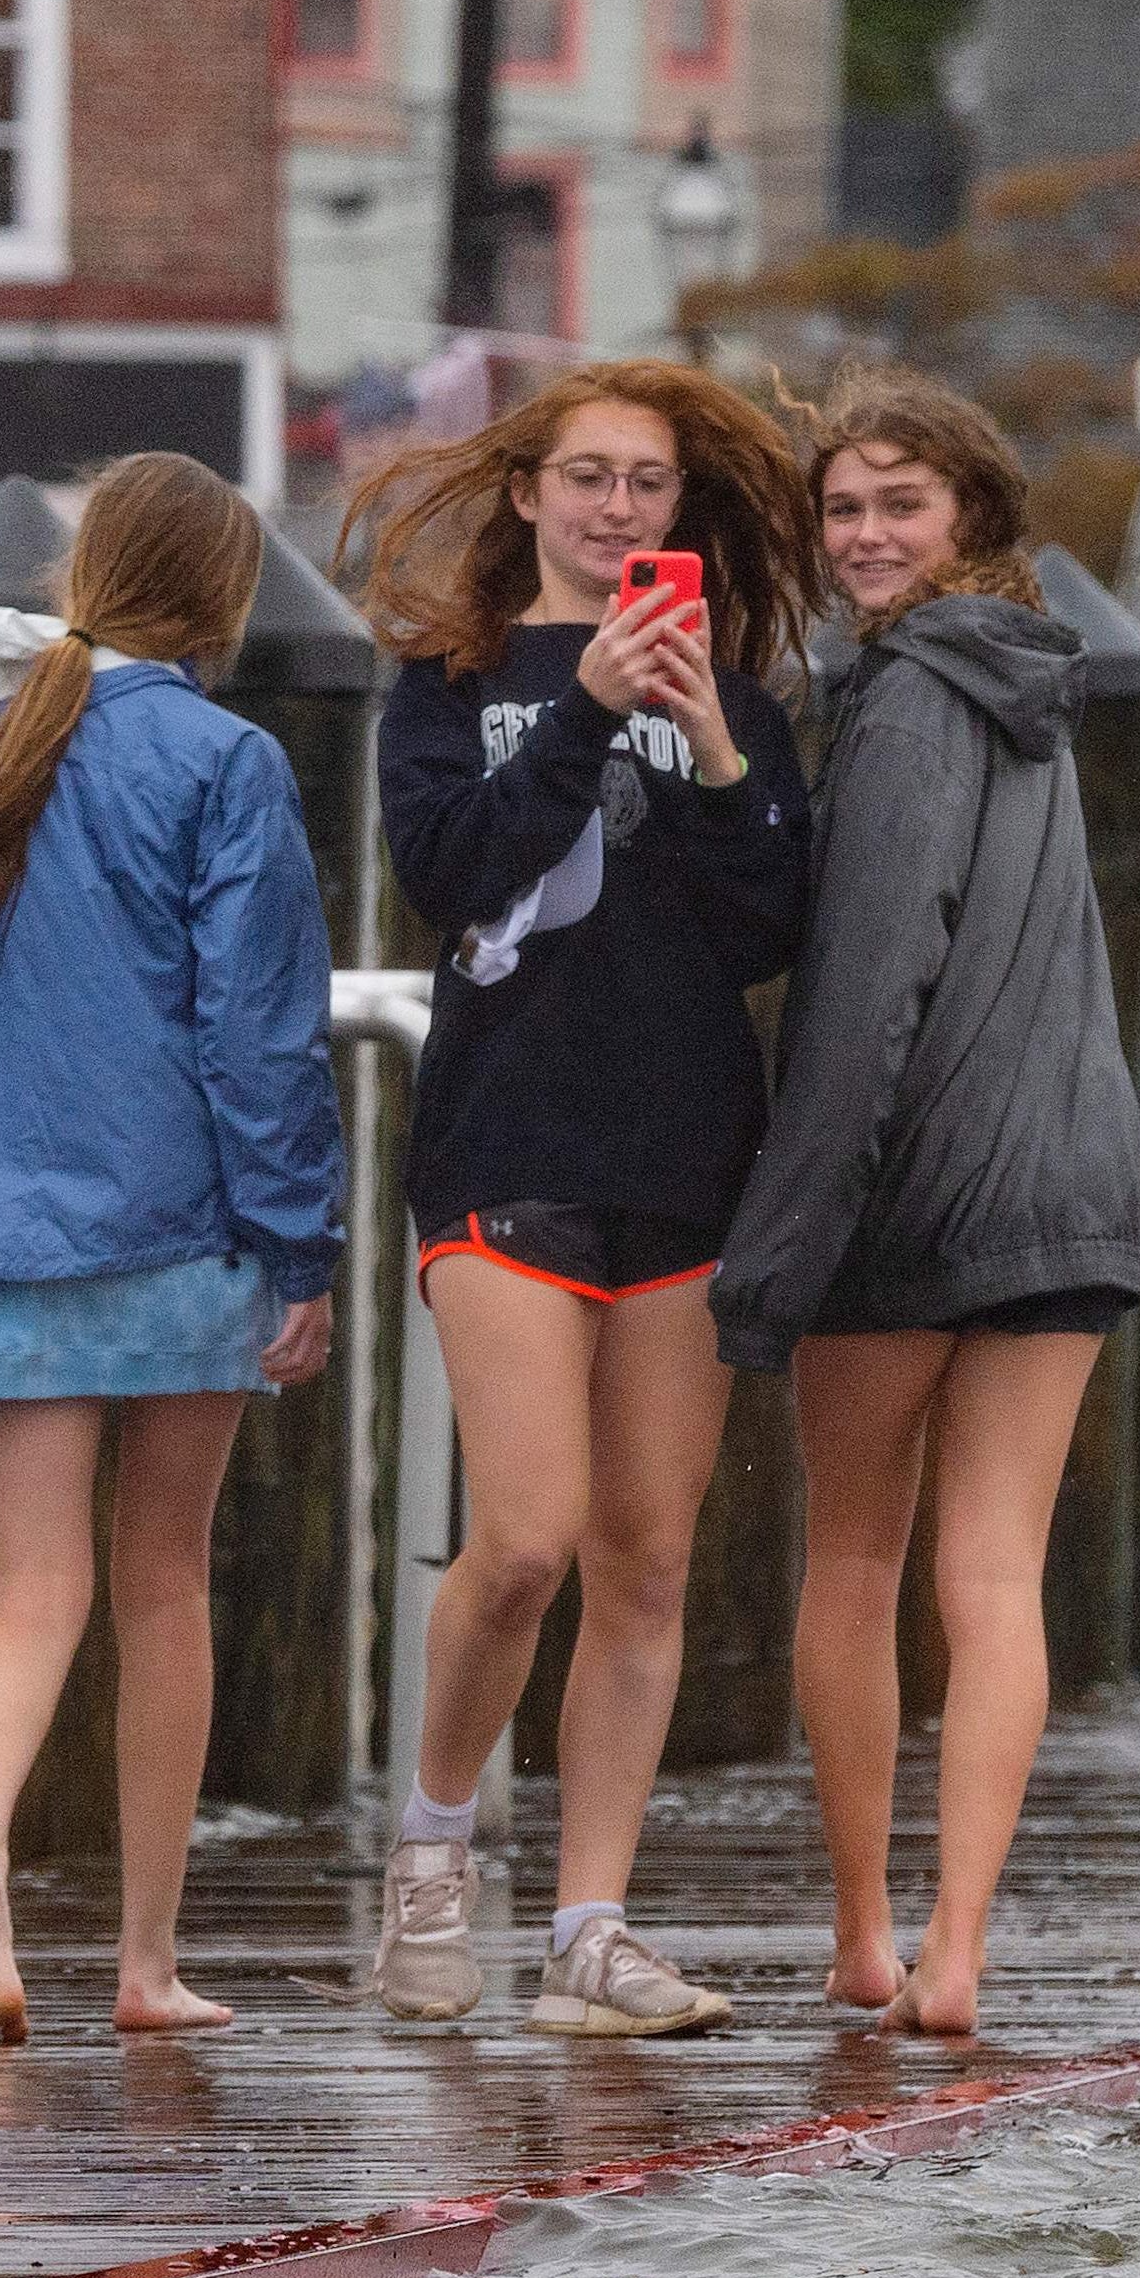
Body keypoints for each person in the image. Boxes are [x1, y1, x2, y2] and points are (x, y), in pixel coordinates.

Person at [0, 452, 342, 2046]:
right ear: (221, 597)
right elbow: (256, 1032)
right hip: (172, 1221)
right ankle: (144, 1960)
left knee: (30, 1585)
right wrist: (302, 1245)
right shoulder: (224, 758)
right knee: (162, 1580)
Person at [351, 362, 815, 2036]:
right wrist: (582, 706)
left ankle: (589, 1933)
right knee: (527, 1541)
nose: (618, 509)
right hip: (504, 1149)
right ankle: (430, 1841)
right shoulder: (445, 680)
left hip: (687, 1156)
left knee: (645, 1556)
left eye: (648, 485)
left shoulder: (737, 703)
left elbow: (769, 927)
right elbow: (452, 872)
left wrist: (698, 740)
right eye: (589, 478)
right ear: (529, 492)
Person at [710, 370, 1140, 2038]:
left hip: (910, 1197)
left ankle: (866, 1936)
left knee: (857, 1558)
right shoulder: (1037, 685)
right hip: (1069, 1181)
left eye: (900, 503)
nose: (866, 534)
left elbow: (867, 987)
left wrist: (777, 1249)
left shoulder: (897, 702)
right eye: (844, 508)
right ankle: (962, 1944)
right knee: (995, 1577)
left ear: (969, 517)